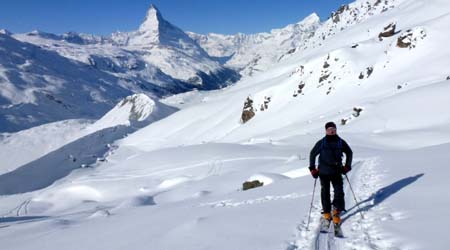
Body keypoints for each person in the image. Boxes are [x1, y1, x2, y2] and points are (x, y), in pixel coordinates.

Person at [309, 121, 353, 227]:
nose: (332, 131)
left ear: (336, 130)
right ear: (326, 131)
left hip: (336, 171)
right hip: (323, 172)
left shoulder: (340, 142)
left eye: (333, 129)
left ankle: (336, 211)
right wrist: (312, 169)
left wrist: (347, 166)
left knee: (339, 192)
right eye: (329, 129)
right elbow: (312, 154)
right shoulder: (322, 142)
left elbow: (349, 152)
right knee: (325, 192)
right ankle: (327, 212)